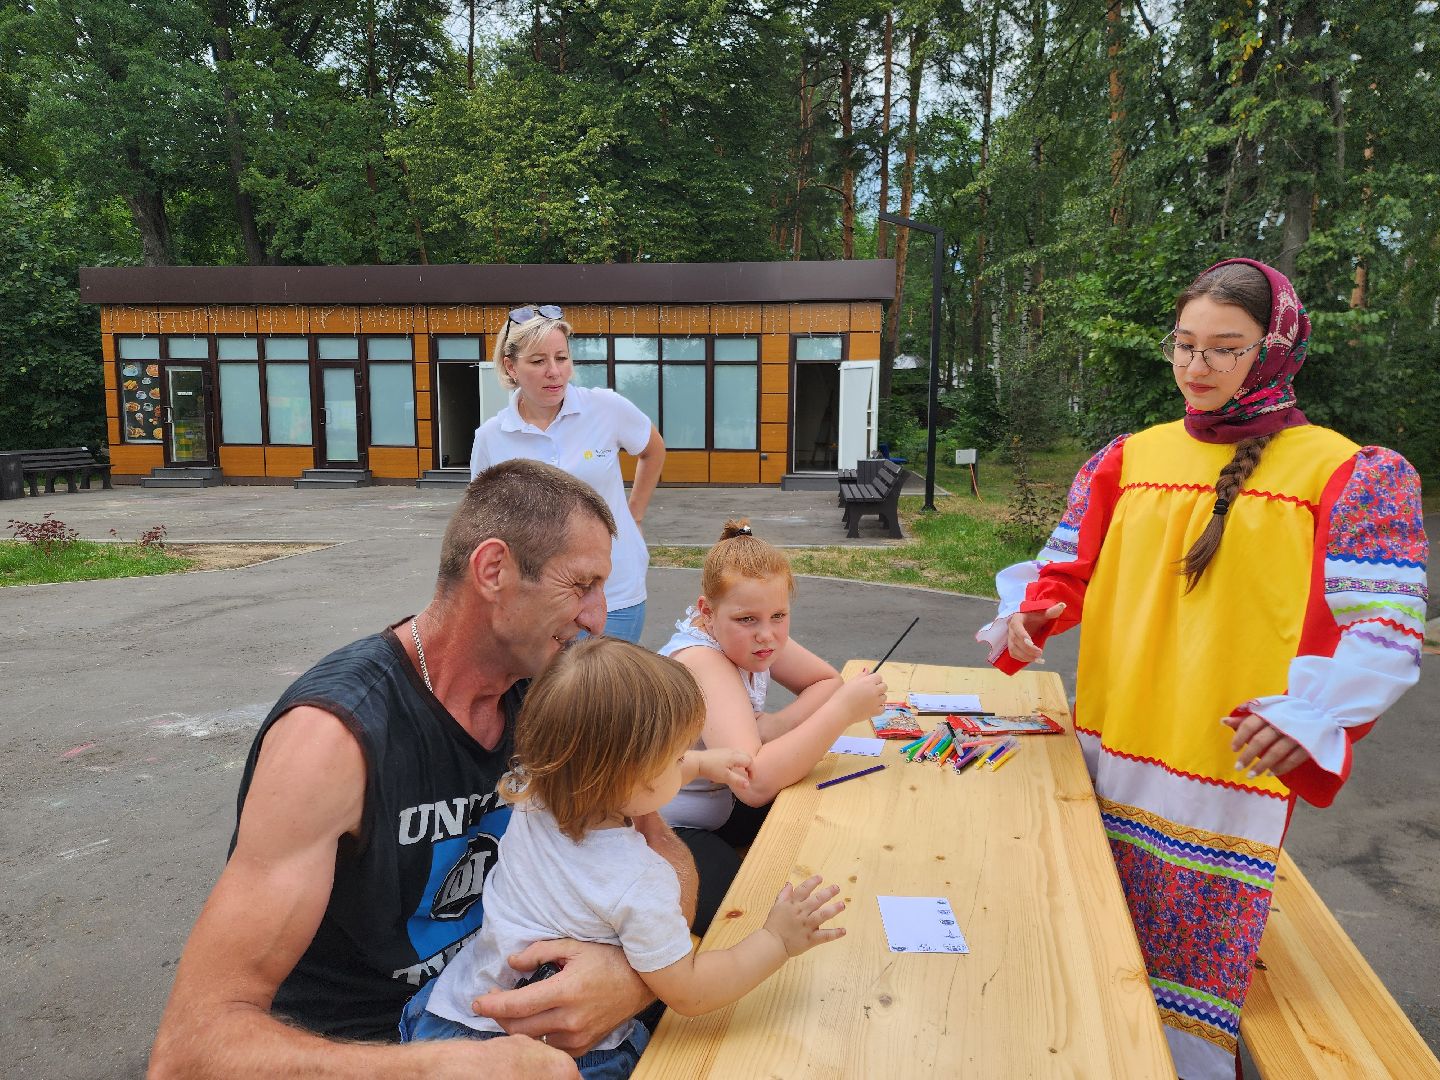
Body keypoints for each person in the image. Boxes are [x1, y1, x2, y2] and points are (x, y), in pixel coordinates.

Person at [975, 258, 1428, 1080]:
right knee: (1085, 943)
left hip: (1225, 773)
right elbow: (1063, 569)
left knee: (1188, 989)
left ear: (1277, 351)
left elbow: (1387, 631)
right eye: (1184, 345)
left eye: (1226, 348)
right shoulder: (1129, 457)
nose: (1197, 367)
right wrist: (1033, 615)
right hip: (1109, 745)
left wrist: (1316, 715)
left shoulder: (1347, 472)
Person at [148, 460, 700, 1080]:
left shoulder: (559, 695)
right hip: (373, 1048)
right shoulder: (332, 741)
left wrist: (633, 978)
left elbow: (661, 848)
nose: (599, 617)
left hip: (527, 1023)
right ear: (493, 570)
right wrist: (439, 1066)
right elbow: (189, 1050)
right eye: (581, 586)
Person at [405, 637, 847, 1079]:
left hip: (445, 1019)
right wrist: (777, 940)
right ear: (635, 776)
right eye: (677, 757)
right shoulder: (639, 880)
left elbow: (623, 773)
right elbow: (691, 991)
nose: (684, 762)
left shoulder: (534, 792)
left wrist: (702, 764)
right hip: (563, 1056)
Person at [657, 520, 888, 934]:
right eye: (748, 619)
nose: (767, 636)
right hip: (665, 831)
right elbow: (755, 782)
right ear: (707, 613)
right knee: (751, 919)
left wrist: (775, 725)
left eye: (779, 615)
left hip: (722, 807)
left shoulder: (752, 635)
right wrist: (841, 712)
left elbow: (825, 681)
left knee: (830, 822)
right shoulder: (702, 660)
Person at [470, 304, 665, 643]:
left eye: (561, 358)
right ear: (510, 366)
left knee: (608, 693)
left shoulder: (605, 408)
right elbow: (481, 520)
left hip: (615, 591)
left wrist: (635, 513)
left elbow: (652, 449)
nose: (554, 372)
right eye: (538, 361)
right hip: (535, 601)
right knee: (545, 696)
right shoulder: (491, 437)